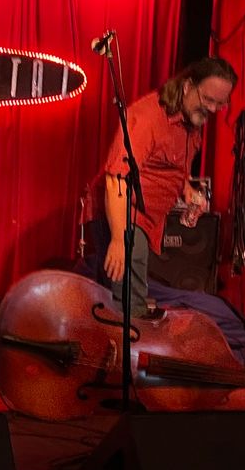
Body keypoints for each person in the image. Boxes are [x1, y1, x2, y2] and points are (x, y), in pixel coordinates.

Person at [96, 56, 237, 320]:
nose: (214, 109)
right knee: (129, 302)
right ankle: (128, 354)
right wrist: (118, 238)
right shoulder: (147, 118)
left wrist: (186, 190)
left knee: (132, 293)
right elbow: (116, 178)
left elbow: (167, 163)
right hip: (126, 213)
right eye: (208, 100)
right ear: (187, 86)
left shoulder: (191, 121)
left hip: (150, 220)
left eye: (221, 103)